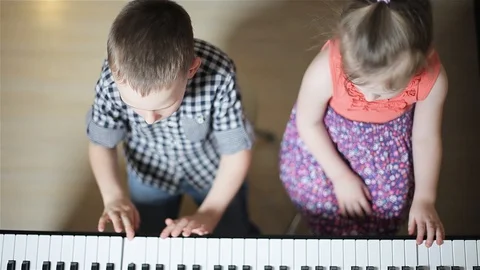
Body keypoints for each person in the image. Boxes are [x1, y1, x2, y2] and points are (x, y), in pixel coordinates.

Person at [85, 0, 259, 239]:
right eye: (134, 107)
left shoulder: (219, 74)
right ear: (116, 73)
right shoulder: (111, 80)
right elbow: (101, 143)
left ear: (191, 69)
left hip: (211, 171)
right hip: (149, 173)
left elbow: (236, 151)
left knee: (231, 231)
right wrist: (114, 196)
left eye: (163, 106)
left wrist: (210, 212)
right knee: (149, 235)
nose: (148, 120)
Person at [279, 0, 447, 247]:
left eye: (383, 91)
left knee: (389, 206)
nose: (368, 98)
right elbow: (308, 123)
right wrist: (340, 177)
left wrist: (425, 199)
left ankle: (366, 245)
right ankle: (324, 238)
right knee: (316, 198)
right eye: (358, 83)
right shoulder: (325, 68)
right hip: (325, 143)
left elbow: (425, 138)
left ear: (422, 60)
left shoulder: (433, 78)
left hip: (387, 149)